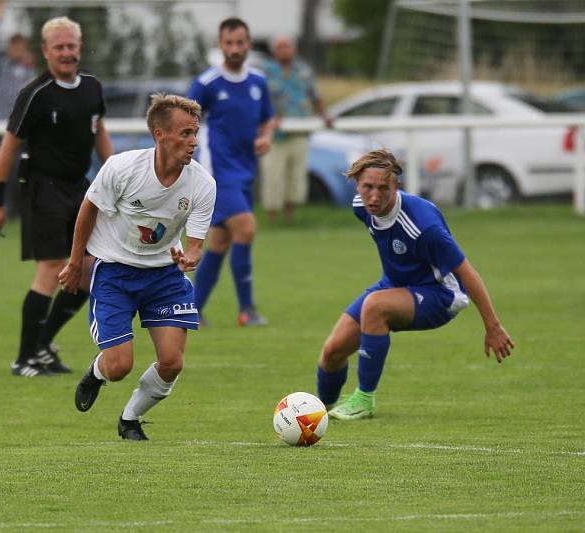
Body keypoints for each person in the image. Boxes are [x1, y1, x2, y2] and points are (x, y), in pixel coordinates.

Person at [59, 94, 216, 441]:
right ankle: (96, 374)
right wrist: (74, 262)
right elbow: (88, 209)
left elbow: (195, 245)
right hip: (115, 272)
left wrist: (190, 257)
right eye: (185, 133)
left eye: (195, 134)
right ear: (159, 134)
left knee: (172, 362)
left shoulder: (203, 184)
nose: (193, 142)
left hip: (164, 275)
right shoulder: (122, 168)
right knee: (119, 366)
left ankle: (130, 419)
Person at [316, 149, 515, 420]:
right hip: (395, 285)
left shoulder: (424, 226)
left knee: (375, 307)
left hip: (440, 294)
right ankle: (318, 412)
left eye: (383, 188)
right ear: (357, 185)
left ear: (397, 186)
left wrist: (493, 326)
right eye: (367, 187)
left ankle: (364, 399)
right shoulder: (361, 207)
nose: (374, 196)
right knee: (332, 351)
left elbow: (467, 273)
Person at [0, 16, 113, 377]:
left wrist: (117, 179)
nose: (67, 53)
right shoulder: (35, 94)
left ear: (79, 47)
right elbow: (8, 146)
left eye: (71, 46)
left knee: (88, 273)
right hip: (43, 188)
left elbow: (99, 132)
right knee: (53, 269)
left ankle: (42, 344)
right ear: (46, 51)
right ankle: (24, 357)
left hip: (81, 188)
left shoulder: (91, 87)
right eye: (59, 47)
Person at [187, 17, 275, 327]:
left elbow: (268, 119)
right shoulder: (207, 83)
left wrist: (265, 137)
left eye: (240, 43)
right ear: (220, 45)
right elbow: (184, 119)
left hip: (245, 172)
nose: (235, 49)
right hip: (217, 172)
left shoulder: (258, 82)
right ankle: (247, 309)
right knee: (247, 228)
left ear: (249, 45)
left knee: (221, 241)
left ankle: (192, 308)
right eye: (229, 43)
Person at [261, 36, 333, 224]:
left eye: (287, 46)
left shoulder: (303, 69)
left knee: (296, 177)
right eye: (280, 47)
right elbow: (257, 99)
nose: (284, 50)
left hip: (300, 130)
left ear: (294, 49)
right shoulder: (264, 70)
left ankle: (290, 219)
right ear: (274, 50)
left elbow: (315, 95)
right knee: (273, 176)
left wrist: (324, 115)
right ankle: (272, 220)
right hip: (274, 134)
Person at [0, 0, 36, 218]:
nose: (17, 51)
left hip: (24, 127)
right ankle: (1, 207)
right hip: (2, 126)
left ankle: (20, 208)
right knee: (4, 168)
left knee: (23, 167)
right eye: (14, 47)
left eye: (21, 47)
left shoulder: (29, 70)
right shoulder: (1, 66)